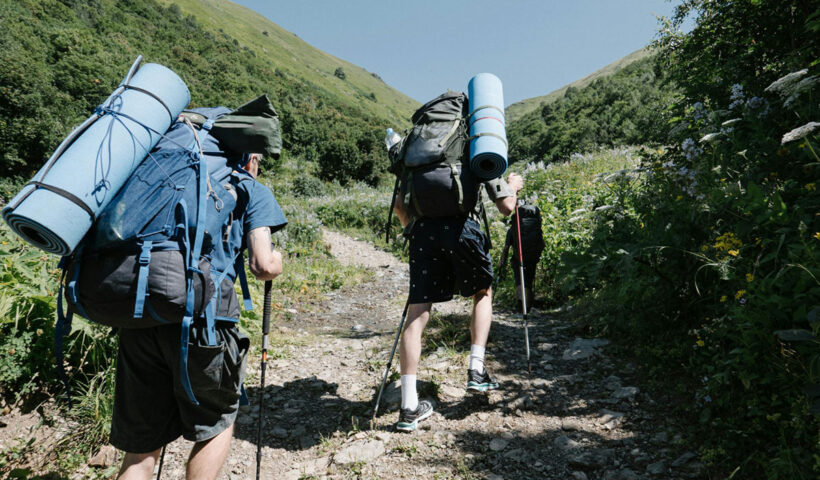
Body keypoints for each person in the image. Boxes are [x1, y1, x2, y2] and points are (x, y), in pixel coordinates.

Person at [111, 152, 286, 480]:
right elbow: (262, 265)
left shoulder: (162, 176)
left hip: (140, 314)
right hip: (205, 323)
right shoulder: (249, 186)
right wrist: (277, 259)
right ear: (250, 158)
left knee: (140, 449)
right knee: (215, 423)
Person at [392, 171, 524, 431]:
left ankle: (408, 406)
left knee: (417, 311)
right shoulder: (473, 143)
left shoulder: (416, 147)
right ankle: (476, 370)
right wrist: (513, 186)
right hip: (464, 228)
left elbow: (398, 204)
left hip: (422, 233)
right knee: (482, 293)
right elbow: (507, 207)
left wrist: (416, 227)